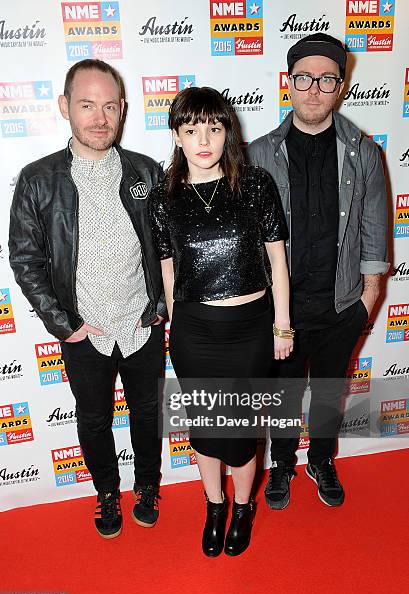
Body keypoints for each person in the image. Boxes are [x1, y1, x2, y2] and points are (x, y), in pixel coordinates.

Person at [9, 59, 166, 539]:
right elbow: (25, 259)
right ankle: (105, 494)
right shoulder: (38, 179)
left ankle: (146, 487)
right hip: (83, 330)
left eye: (109, 106)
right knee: (94, 419)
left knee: (147, 414)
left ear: (122, 109)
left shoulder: (146, 171)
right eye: (86, 105)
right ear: (64, 108)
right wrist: (64, 324)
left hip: (141, 323)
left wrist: (162, 308)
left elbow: (166, 248)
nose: (100, 117)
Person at [148, 86, 293, 557]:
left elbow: (277, 262)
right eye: (191, 130)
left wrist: (282, 326)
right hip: (194, 331)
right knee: (206, 430)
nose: (203, 139)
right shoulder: (163, 197)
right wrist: (178, 324)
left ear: (227, 131)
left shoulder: (255, 184)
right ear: (177, 135)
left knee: (241, 433)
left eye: (213, 127)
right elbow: (168, 268)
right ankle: (215, 505)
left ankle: (245, 505)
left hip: (251, 330)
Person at [248, 33, 388, 509]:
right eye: (304, 77)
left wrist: (367, 301)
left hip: (340, 304)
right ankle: (283, 464)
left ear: (340, 87)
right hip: (280, 311)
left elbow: (374, 231)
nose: (314, 88)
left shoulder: (364, 152)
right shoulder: (257, 154)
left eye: (326, 79)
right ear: (288, 84)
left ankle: (322, 460)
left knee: (330, 391)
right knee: (284, 394)